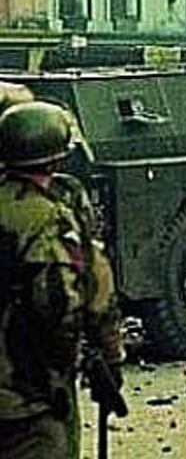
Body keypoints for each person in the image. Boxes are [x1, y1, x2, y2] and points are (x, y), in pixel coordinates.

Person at [0, 101, 125, 458]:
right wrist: (105, 356)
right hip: (29, 392)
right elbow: (61, 302)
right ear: (56, 158)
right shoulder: (50, 216)